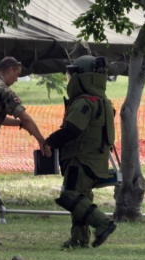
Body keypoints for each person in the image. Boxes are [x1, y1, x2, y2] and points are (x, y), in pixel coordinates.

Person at [44, 55, 117, 248]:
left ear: (82, 77)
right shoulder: (103, 101)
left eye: (72, 75)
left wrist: (50, 142)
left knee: (69, 195)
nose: (70, 79)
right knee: (82, 198)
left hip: (80, 158)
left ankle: (103, 223)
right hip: (95, 159)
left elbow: (72, 129)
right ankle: (79, 239)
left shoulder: (84, 102)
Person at [0, 56, 50, 245]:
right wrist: (41, 140)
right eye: (17, 75)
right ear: (9, 70)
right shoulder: (4, 91)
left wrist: (17, 124)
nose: (17, 79)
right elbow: (25, 117)